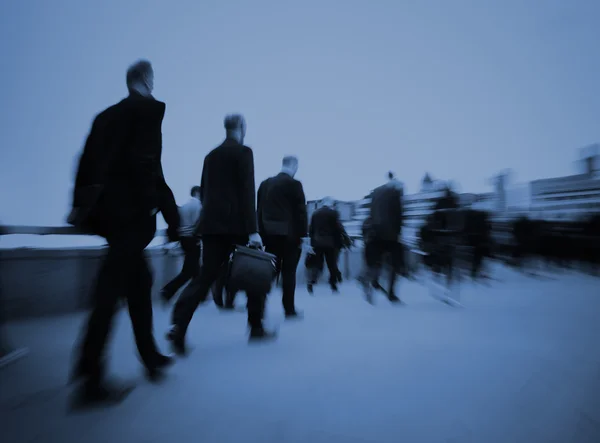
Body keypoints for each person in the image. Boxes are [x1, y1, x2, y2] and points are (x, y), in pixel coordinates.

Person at [68, 60, 180, 408]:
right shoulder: (145, 112)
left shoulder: (104, 117)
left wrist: (83, 211)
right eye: (153, 79)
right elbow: (150, 168)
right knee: (107, 295)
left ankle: (149, 357)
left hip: (110, 218)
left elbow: (84, 164)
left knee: (139, 282)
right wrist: (171, 218)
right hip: (131, 218)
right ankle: (89, 378)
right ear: (145, 80)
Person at [168, 114, 275, 354]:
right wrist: (253, 230)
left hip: (212, 227)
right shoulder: (244, 152)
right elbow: (248, 192)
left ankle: (179, 325)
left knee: (204, 277)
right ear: (241, 127)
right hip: (236, 226)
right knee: (255, 272)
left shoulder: (210, 156)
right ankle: (256, 328)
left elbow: (205, 190)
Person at [257, 155, 308, 319]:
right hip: (289, 237)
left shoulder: (265, 184)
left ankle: (258, 306)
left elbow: (258, 211)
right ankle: (289, 309)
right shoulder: (294, 184)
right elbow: (301, 213)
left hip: (269, 236)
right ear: (294, 165)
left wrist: (261, 233)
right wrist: (303, 236)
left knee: (269, 271)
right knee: (289, 273)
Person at [360, 172, 403, 304]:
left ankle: (368, 280)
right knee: (396, 264)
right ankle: (391, 293)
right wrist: (398, 231)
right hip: (390, 234)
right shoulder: (395, 194)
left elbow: (372, 213)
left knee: (375, 263)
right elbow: (398, 215)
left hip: (374, 233)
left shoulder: (376, 193)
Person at [160, 186, 202, 304]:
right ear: (198, 193)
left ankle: (197, 296)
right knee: (189, 271)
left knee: (195, 270)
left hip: (184, 240)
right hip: (192, 240)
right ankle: (168, 291)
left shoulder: (185, 206)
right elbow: (198, 225)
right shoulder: (197, 206)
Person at [307, 197, 344, 293]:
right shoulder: (333, 213)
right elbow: (338, 229)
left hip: (317, 243)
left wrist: (313, 241)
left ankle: (311, 282)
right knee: (332, 264)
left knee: (317, 264)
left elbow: (311, 229)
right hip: (330, 243)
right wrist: (339, 243)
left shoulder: (315, 213)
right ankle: (333, 285)